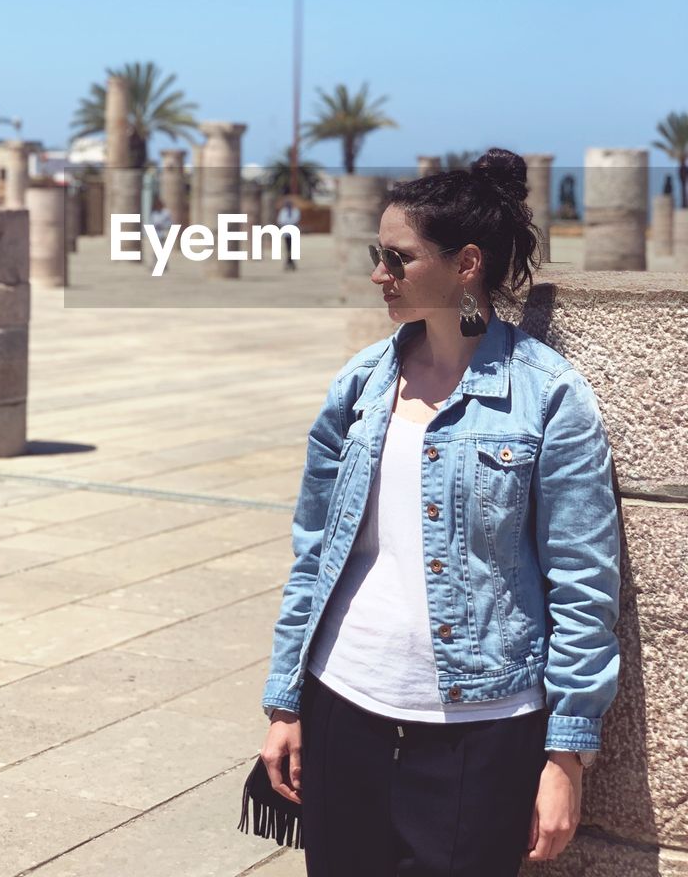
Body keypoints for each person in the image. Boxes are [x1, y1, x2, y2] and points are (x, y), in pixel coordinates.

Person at [259, 148, 621, 876]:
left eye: (397, 258)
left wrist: (567, 758)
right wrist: (285, 702)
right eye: (376, 255)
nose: (378, 275)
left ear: (466, 265)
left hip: (481, 731)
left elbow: (585, 583)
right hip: (343, 705)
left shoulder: (547, 396)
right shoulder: (361, 383)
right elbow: (315, 552)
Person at [276, 194, 302, 270]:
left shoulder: (295, 211)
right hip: (286, 233)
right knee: (287, 248)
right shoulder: (283, 211)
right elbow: (280, 221)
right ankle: (289, 262)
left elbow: (295, 220)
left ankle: (291, 262)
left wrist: (288, 223)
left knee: (293, 248)